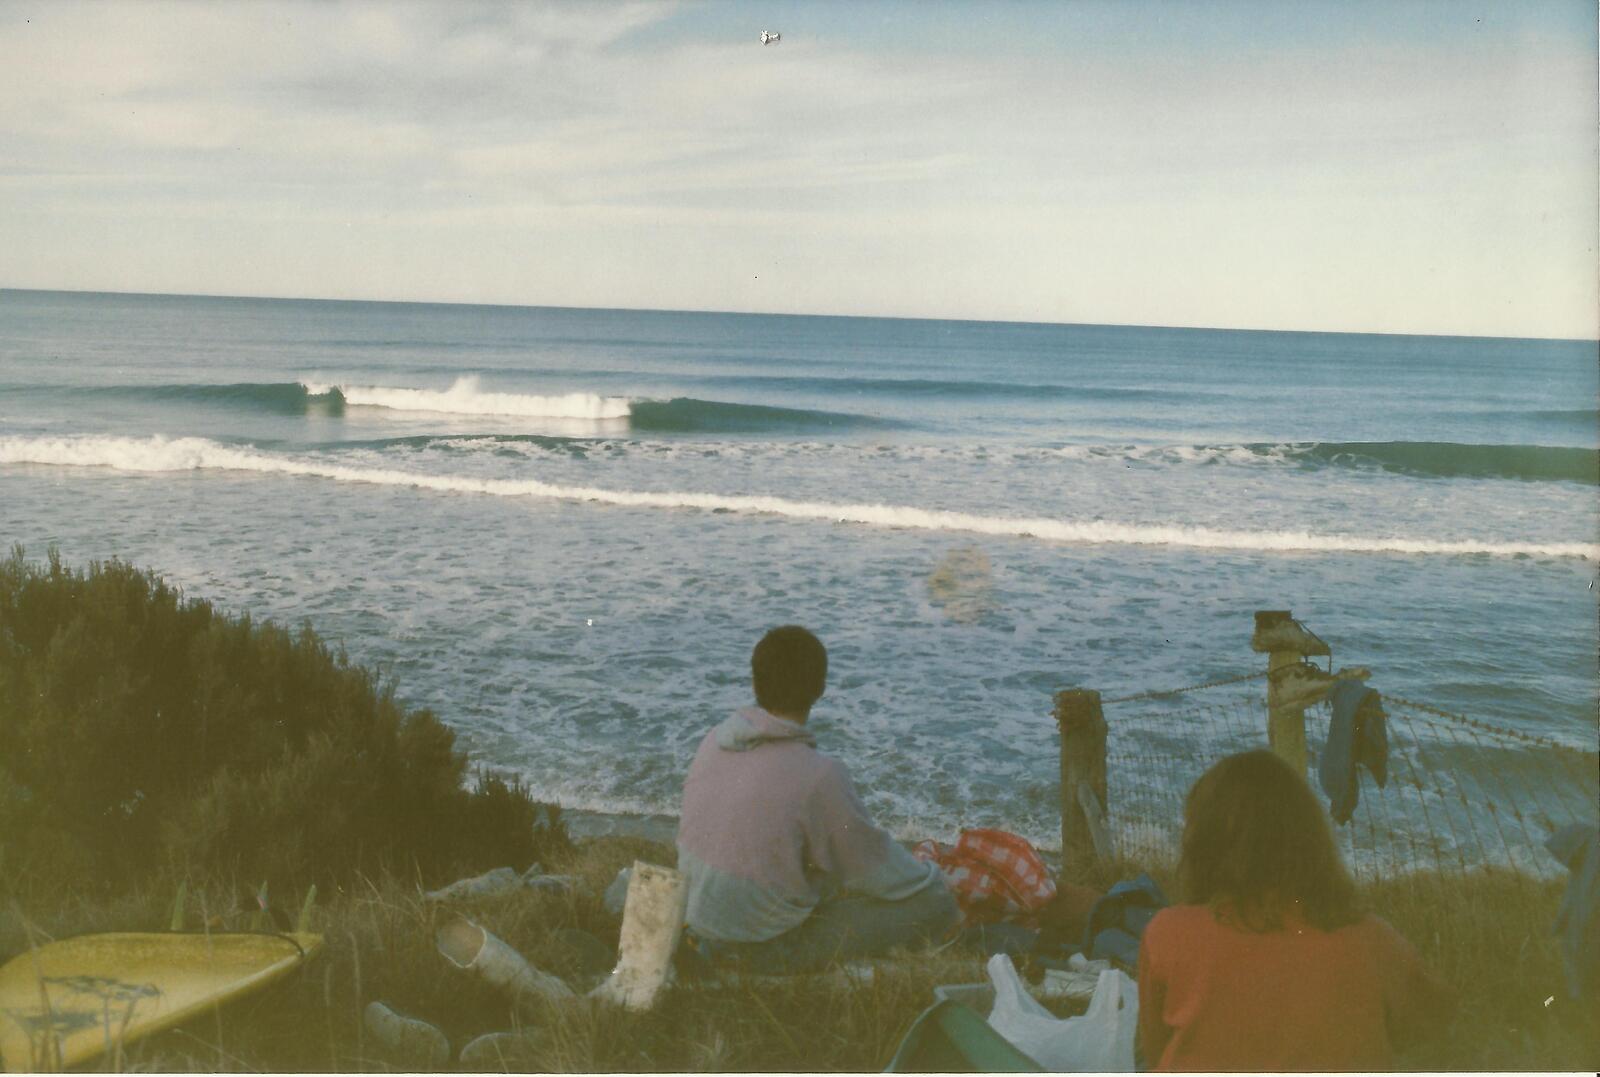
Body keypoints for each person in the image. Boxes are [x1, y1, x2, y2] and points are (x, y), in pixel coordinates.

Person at [1136, 749, 1453, 1071]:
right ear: (1311, 838)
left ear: (1203, 843)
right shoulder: (1371, 938)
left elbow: (1154, 1054)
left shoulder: (1168, 933)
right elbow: (1431, 1022)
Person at [676, 625, 959, 973]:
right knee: (936, 903)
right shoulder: (819, 775)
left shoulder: (715, 741)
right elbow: (881, 872)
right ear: (820, 689)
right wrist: (933, 875)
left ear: (755, 682)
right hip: (759, 951)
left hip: (695, 924)